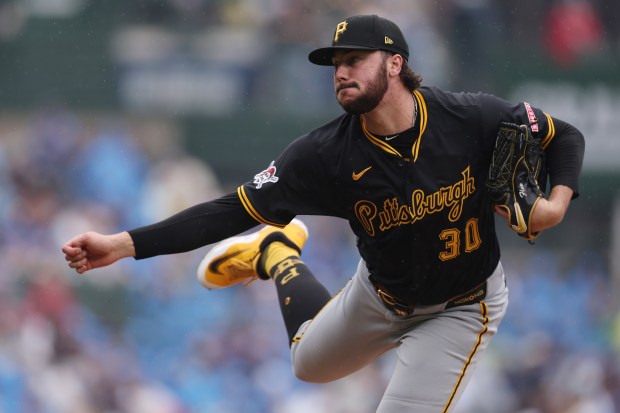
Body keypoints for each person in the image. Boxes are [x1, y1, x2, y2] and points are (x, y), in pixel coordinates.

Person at [63, 14, 585, 412]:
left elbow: (566, 136)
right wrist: (123, 244)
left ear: (395, 63)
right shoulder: (323, 156)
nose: (341, 72)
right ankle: (276, 251)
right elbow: (229, 210)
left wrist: (556, 204)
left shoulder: (469, 117)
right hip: (382, 293)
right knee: (308, 365)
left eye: (354, 60)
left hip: (460, 306)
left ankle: (276, 251)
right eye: (336, 65)